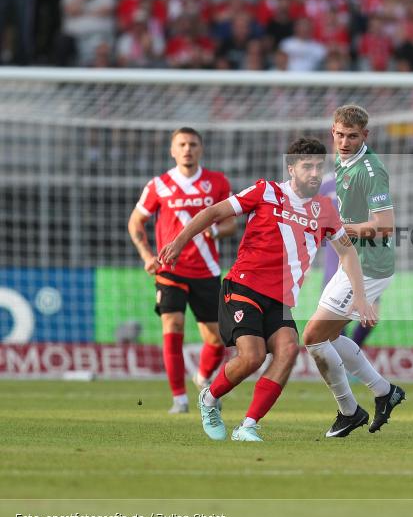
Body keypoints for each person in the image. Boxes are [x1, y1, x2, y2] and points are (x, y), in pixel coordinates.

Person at [159, 138, 377, 442]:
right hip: (243, 287)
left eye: (319, 166)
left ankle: (247, 425)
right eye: (307, 166)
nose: (314, 172)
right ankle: (209, 399)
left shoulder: (325, 209)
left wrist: (362, 298)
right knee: (253, 357)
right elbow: (213, 213)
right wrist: (180, 241)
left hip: (281, 299)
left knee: (288, 350)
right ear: (291, 169)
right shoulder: (266, 191)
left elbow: (348, 253)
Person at [303, 104, 405, 438]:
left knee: (314, 337)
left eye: (352, 136)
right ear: (332, 132)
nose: (345, 142)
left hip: (370, 265)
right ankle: (383, 392)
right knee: (326, 337)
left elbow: (385, 225)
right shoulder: (344, 164)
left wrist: (339, 227)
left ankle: (349, 411)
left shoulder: (369, 170)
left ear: (365, 135)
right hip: (354, 263)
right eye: (340, 135)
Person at [128, 128, 236, 413]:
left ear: (201, 149)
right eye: (182, 144)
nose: (187, 149)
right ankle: (179, 399)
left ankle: (201, 378)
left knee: (216, 338)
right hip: (170, 269)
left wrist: (215, 231)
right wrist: (147, 255)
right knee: (172, 326)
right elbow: (136, 222)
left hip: (206, 270)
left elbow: (231, 223)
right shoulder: (159, 185)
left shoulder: (216, 182)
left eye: (192, 144)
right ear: (172, 151)